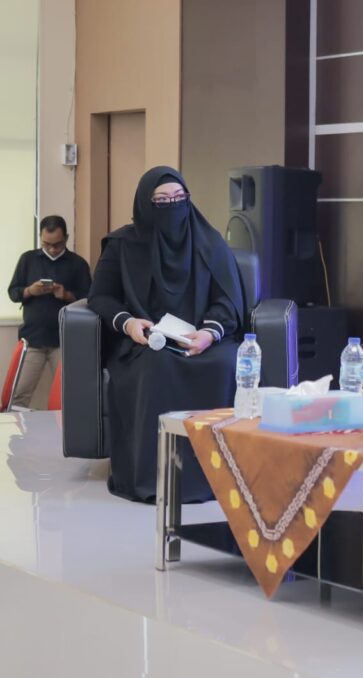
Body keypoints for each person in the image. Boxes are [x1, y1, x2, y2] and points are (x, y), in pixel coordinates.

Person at [88, 166, 244, 502]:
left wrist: (209, 332)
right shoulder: (122, 245)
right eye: (161, 201)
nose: (172, 206)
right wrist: (128, 323)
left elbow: (227, 300)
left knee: (224, 364)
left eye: (179, 198)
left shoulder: (209, 242)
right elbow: (100, 296)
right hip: (146, 340)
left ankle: (217, 476)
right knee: (156, 366)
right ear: (145, 204)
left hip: (201, 338)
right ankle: (156, 478)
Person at [7, 215, 92, 409]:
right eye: (47, 244)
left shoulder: (78, 264)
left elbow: (90, 300)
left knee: (69, 395)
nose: (52, 249)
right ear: (40, 237)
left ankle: (63, 428)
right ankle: (15, 428)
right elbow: (13, 292)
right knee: (18, 395)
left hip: (64, 341)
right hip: (33, 339)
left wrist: (67, 295)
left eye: (58, 244)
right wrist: (30, 291)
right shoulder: (28, 259)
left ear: (66, 238)